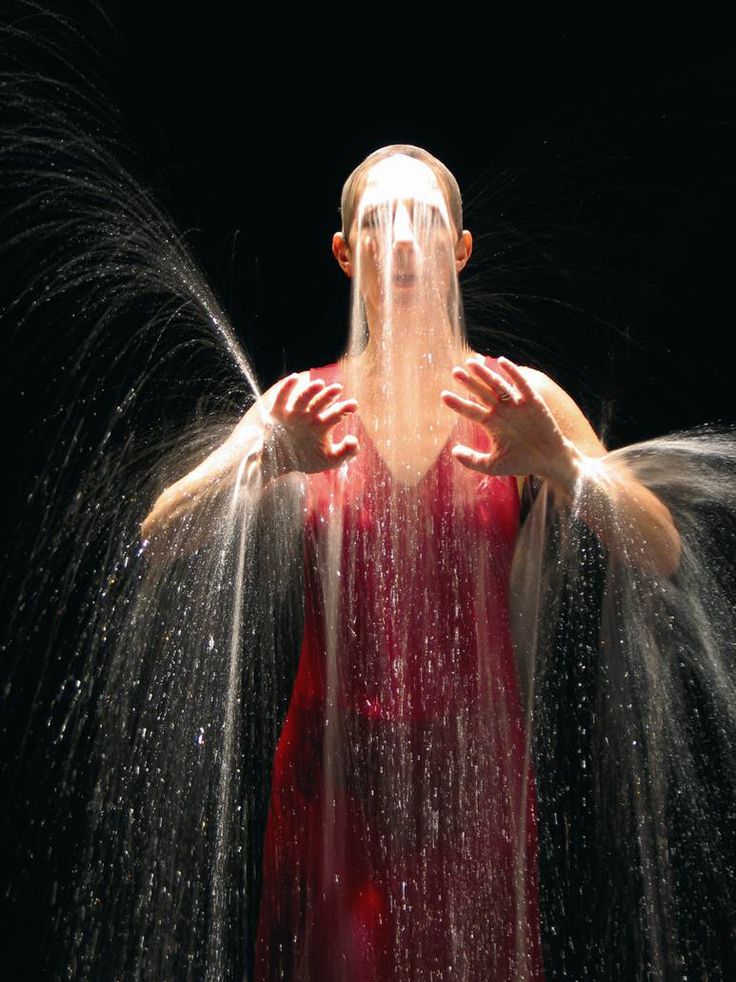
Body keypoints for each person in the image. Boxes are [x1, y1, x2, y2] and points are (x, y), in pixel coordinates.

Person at [141, 145, 681, 980]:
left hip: (474, 795)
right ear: (345, 251)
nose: (402, 245)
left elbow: (660, 549)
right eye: (377, 224)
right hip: (335, 798)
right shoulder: (300, 406)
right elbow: (162, 532)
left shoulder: (520, 399)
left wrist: (564, 465)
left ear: (460, 248)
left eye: (424, 224)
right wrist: (256, 458)